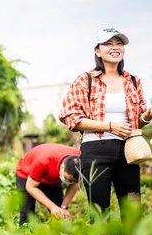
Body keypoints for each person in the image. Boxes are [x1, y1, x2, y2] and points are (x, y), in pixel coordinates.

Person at [59, 27, 152, 220]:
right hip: (96, 150)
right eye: (108, 43)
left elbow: (136, 123)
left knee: (132, 209)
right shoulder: (85, 80)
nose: (115, 47)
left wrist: (147, 117)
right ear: (97, 51)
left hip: (129, 150)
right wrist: (110, 126)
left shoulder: (134, 81)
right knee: (100, 212)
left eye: (119, 43)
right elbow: (70, 117)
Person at [16, 143, 81, 225]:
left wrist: (63, 207)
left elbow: (75, 184)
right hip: (26, 174)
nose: (68, 182)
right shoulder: (43, 160)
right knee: (27, 213)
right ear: (62, 166)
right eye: (66, 178)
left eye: (70, 181)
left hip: (51, 178)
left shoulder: (81, 160)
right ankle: (24, 234)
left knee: (60, 213)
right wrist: (52, 207)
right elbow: (30, 187)